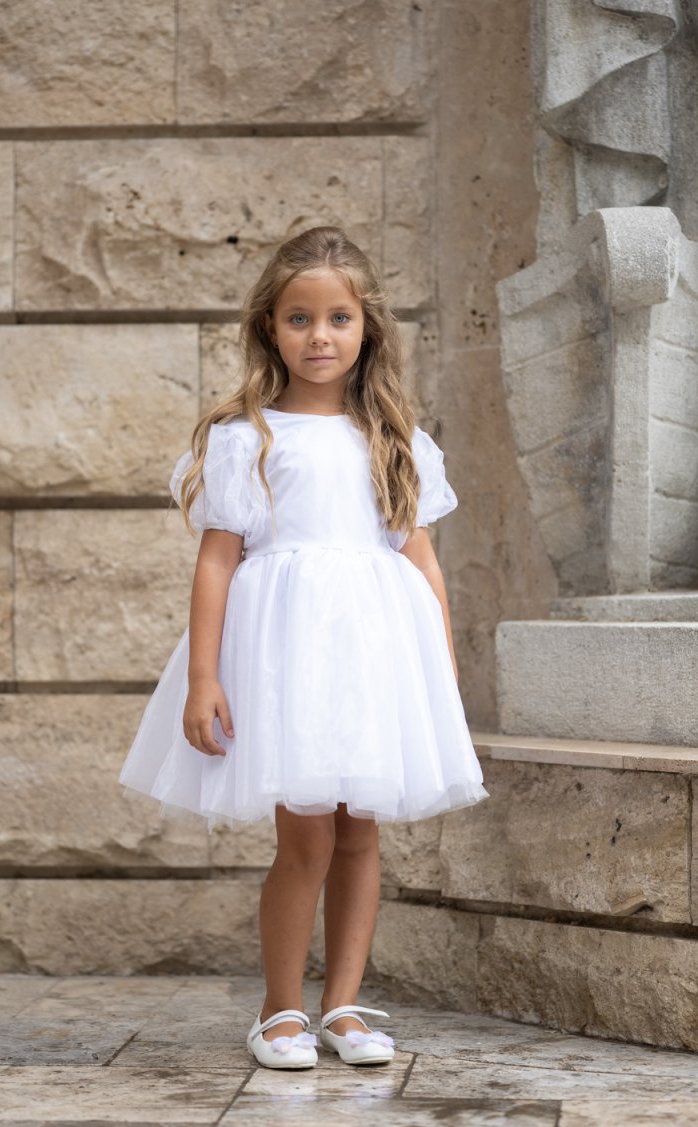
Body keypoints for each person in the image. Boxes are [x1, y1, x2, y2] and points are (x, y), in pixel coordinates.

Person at [119, 224, 490, 1071]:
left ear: (367, 329)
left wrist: (439, 674)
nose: (319, 336)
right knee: (308, 838)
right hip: (287, 662)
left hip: (372, 661)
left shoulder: (395, 439)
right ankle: (279, 1011)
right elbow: (218, 563)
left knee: (360, 834)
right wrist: (204, 678)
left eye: (338, 319)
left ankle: (343, 1007)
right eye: (299, 319)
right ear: (269, 327)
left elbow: (422, 562)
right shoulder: (247, 437)